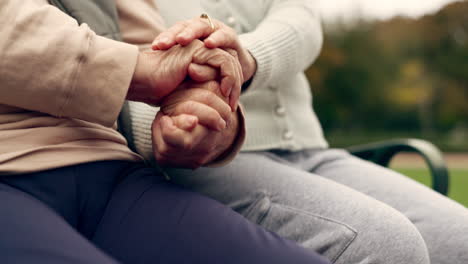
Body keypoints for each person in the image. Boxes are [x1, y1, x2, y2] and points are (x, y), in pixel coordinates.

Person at [128, 0, 468, 263]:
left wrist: (244, 59)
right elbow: (122, 62)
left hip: (310, 149)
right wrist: (177, 122)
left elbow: (301, 18)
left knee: (462, 240)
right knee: (388, 246)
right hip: (208, 163)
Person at [0, 0, 334, 263]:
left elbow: (155, 53)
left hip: (111, 170)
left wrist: (206, 116)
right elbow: (147, 66)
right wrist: (144, 71)